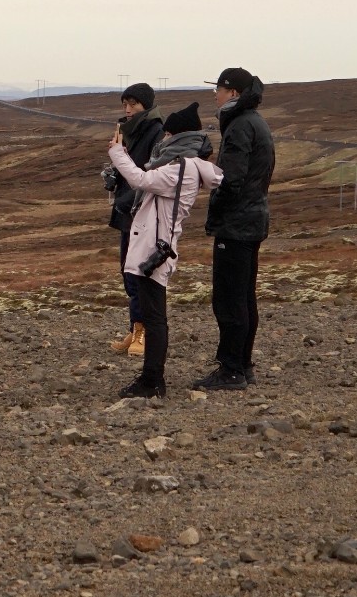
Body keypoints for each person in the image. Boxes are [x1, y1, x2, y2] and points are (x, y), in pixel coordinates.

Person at [107, 103, 222, 398]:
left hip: (153, 250)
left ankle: (153, 380)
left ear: (176, 136)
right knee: (154, 313)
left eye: (168, 133)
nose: (163, 139)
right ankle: (151, 378)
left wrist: (118, 152)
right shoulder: (192, 167)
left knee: (155, 317)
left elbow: (140, 179)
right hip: (158, 245)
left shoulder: (177, 171)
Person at [196, 67, 275, 391]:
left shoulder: (241, 125)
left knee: (229, 299)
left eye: (218, 88)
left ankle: (231, 370)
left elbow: (232, 178)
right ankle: (242, 364)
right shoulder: (254, 121)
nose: (214, 94)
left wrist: (215, 192)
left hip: (237, 224)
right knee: (243, 296)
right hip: (251, 220)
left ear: (233, 93)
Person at [103, 84, 166, 355]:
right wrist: (114, 177)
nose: (128, 110)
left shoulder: (156, 133)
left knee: (142, 274)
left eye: (134, 105)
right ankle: (135, 329)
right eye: (125, 104)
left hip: (143, 215)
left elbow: (149, 175)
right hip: (127, 214)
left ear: (146, 106)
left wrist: (127, 197)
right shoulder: (128, 132)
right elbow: (128, 169)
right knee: (128, 273)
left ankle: (145, 333)